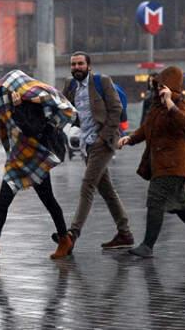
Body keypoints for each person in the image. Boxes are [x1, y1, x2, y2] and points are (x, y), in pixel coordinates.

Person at [0, 70, 77, 261]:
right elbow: (4, 124)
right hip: (18, 157)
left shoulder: (32, 103)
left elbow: (33, 129)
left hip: (36, 157)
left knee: (49, 200)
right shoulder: (11, 103)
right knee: (3, 200)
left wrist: (19, 107)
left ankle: (64, 240)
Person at [119, 66, 185, 258]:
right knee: (179, 203)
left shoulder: (181, 104)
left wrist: (170, 101)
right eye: (158, 85)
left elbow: (182, 121)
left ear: (172, 86)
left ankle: (147, 246)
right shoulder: (156, 106)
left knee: (155, 200)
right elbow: (146, 128)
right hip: (160, 164)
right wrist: (129, 139)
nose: (159, 88)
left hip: (173, 164)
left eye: (163, 85)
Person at [52, 51, 134, 250]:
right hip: (85, 144)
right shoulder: (70, 85)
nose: (76, 67)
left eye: (80, 64)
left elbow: (116, 110)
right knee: (106, 190)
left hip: (102, 143)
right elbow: (64, 109)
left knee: (87, 185)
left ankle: (72, 234)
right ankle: (125, 234)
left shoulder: (102, 82)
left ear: (89, 66)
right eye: (73, 64)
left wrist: (103, 138)